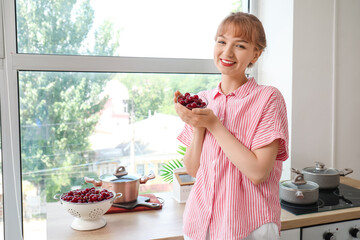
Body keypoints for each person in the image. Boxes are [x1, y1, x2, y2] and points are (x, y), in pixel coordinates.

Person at [174, 12, 289, 240]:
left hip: (249, 226)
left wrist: (213, 124)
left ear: (255, 54)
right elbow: (193, 169)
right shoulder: (203, 100)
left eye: (240, 45)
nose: (227, 52)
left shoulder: (268, 98)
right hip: (200, 225)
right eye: (222, 41)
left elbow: (258, 173)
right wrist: (198, 125)